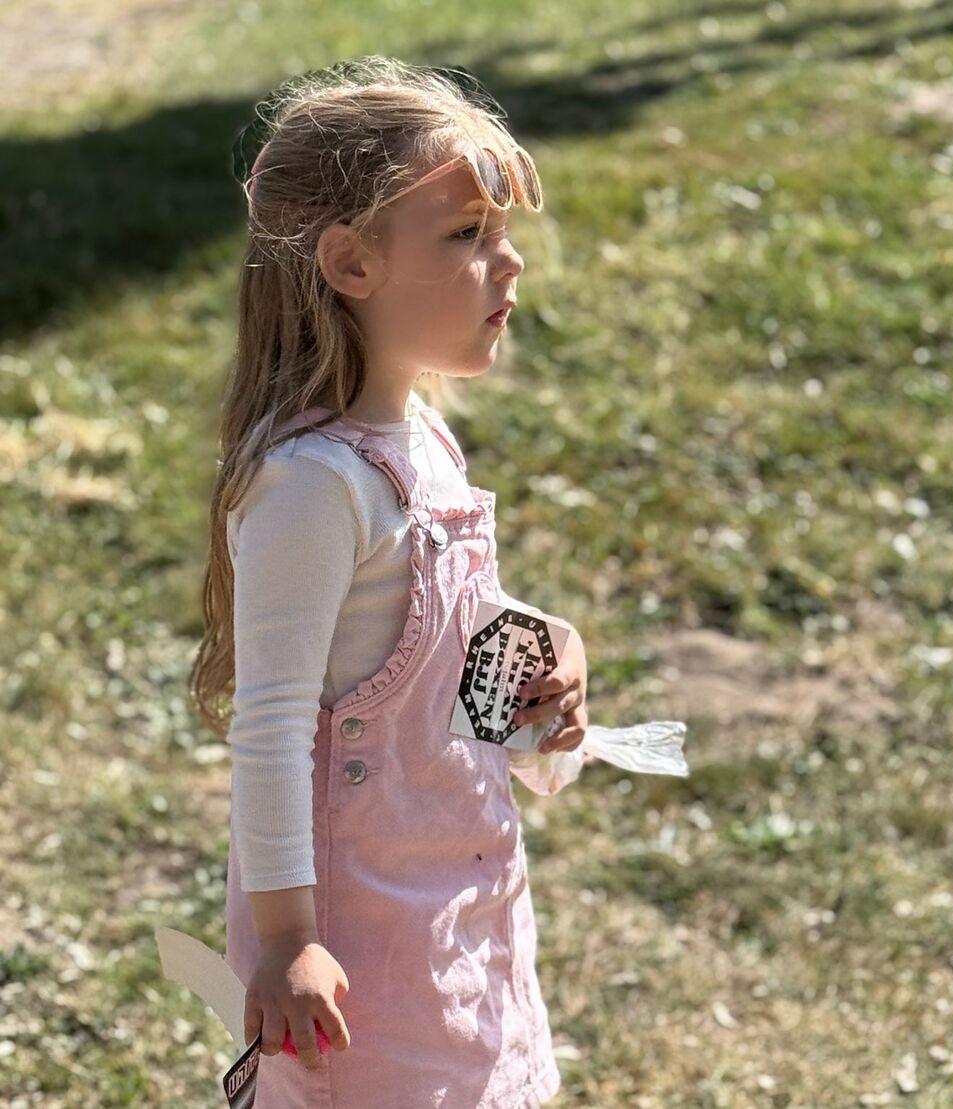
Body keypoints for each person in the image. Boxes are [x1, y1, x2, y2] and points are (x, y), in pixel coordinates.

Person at [187, 56, 590, 1108]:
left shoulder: (424, 439)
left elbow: (438, 645)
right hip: (354, 932)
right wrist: (286, 941)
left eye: (501, 235)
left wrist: (542, 657)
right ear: (349, 262)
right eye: (464, 237)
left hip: (456, 886)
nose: (506, 265)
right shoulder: (310, 485)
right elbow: (272, 722)